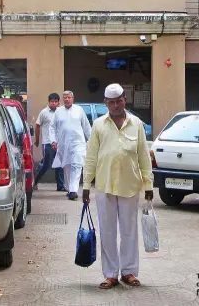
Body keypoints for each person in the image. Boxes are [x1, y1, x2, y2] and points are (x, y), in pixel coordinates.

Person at [82, 83, 154, 290]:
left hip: (130, 185)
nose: (115, 105)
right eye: (111, 102)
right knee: (107, 231)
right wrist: (86, 185)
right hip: (104, 185)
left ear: (124, 100)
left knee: (129, 231)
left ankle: (129, 272)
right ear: (106, 103)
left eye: (119, 101)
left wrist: (148, 184)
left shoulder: (136, 123)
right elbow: (91, 157)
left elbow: (143, 155)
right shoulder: (98, 125)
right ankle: (110, 274)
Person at [49, 90, 91, 201]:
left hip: (78, 143)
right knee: (67, 166)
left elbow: (86, 127)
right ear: (63, 99)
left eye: (69, 97)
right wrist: (53, 140)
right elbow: (52, 127)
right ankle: (69, 188)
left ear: (73, 99)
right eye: (65, 97)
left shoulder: (79, 110)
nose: (67, 99)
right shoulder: (58, 112)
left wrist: (91, 140)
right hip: (63, 144)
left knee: (77, 165)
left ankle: (74, 191)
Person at [34, 93, 65, 191]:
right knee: (46, 165)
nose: (54, 103)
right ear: (49, 102)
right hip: (47, 142)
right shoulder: (44, 112)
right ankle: (34, 182)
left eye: (56, 102)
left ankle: (60, 186)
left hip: (59, 142)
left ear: (58, 102)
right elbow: (37, 126)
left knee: (59, 164)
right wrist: (37, 140)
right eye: (52, 101)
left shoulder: (61, 112)